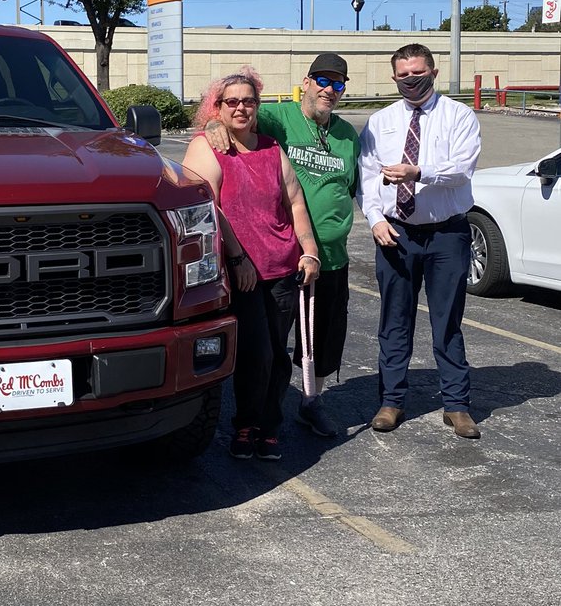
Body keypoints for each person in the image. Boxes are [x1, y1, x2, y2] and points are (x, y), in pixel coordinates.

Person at [203, 52, 359, 438]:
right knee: (267, 345)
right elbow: (238, 115)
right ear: (305, 83)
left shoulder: (347, 135)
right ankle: (257, 417)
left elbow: (352, 187)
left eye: (337, 84)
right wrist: (210, 124)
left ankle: (311, 402)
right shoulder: (282, 118)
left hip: (331, 256)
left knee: (322, 337)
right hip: (283, 254)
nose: (329, 89)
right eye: (322, 80)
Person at [183, 68, 320, 461]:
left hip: (283, 267)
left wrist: (309, 250)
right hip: (241, 271)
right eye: (231, 102)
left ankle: (269, 428)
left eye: (248, 101)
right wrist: (237, 257)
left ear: (258, 105)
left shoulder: (271, 148)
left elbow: (294, 201)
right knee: (254, 353)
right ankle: (244, 425)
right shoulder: (207, 147)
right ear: (218, 107)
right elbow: (208, 204)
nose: (241, 108)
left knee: (278, 355)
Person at [358, 43, 482, 438]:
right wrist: (375, 219)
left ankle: (457, 406)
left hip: (447, 234)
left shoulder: (459, 115)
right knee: (395, 320)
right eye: (403, 74)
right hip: (397, 233)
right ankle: (391, 401)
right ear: (393, 77)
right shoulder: (380, 121)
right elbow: (367, 176)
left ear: (433, 71)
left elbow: (462, 169)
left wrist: (419, 171)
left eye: (418, 72)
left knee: (447, 320)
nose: (411, 79)